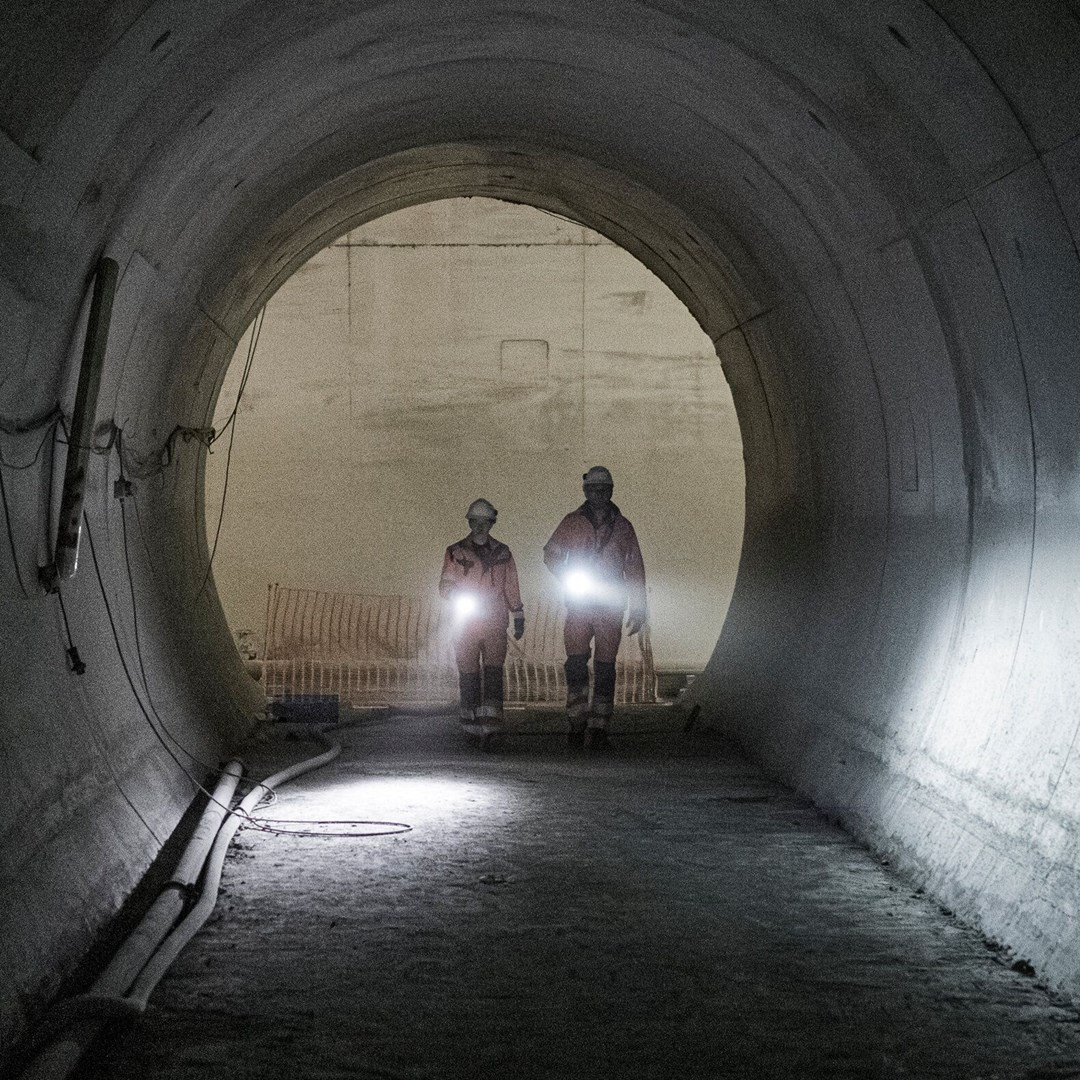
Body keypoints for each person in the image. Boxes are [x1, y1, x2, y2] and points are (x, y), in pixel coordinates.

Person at [543, 466, 647, 750]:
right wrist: (567, 576)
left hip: (609, 608)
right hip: (580, 604)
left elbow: (634, 568)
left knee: (605, 667)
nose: (599, 494)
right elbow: (551, 554)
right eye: (594, 490)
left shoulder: (623, 527)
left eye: (603, 490)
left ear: (610, 491)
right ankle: (576, 724)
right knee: (576, 663)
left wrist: (639, 607)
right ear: (586, 491)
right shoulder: (572, 522)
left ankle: (599, 727)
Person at [439, 498, 525, 744]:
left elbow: (511, 585)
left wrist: (518, 613)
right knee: (468, 673)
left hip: (494, 620)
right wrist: (456, 595)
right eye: (475, 521)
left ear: (491, 523)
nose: (479, 526)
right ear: (469, 522)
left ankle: (491, 726)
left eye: (484, 522)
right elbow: (445, 584)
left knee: (493, 672)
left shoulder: (503, 553)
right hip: (466, 622)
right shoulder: (455, 552)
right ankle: (471, 726)